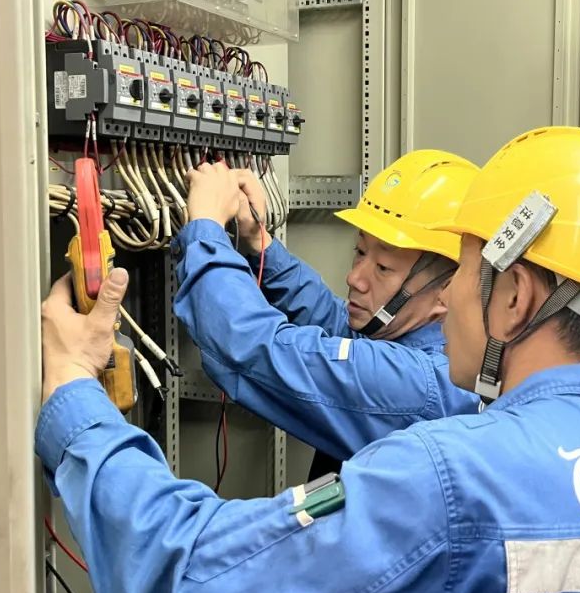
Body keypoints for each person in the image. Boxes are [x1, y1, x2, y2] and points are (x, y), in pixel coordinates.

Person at [36, 126, 580, 593]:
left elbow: (186, 575)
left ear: (516, 296)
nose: (451, 296)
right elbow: (341, 347)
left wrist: (72, 389)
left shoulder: (445, 480)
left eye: (464, 270)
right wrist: (263, 251)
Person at [175, 150, 481, 472]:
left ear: (446, 293)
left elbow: (250, 344)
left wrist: (206, 228)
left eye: (383, 267)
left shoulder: (418, 383)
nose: (354, 278)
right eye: (360, 251)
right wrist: (258, 241)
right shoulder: (425, 343)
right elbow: (334, 322)